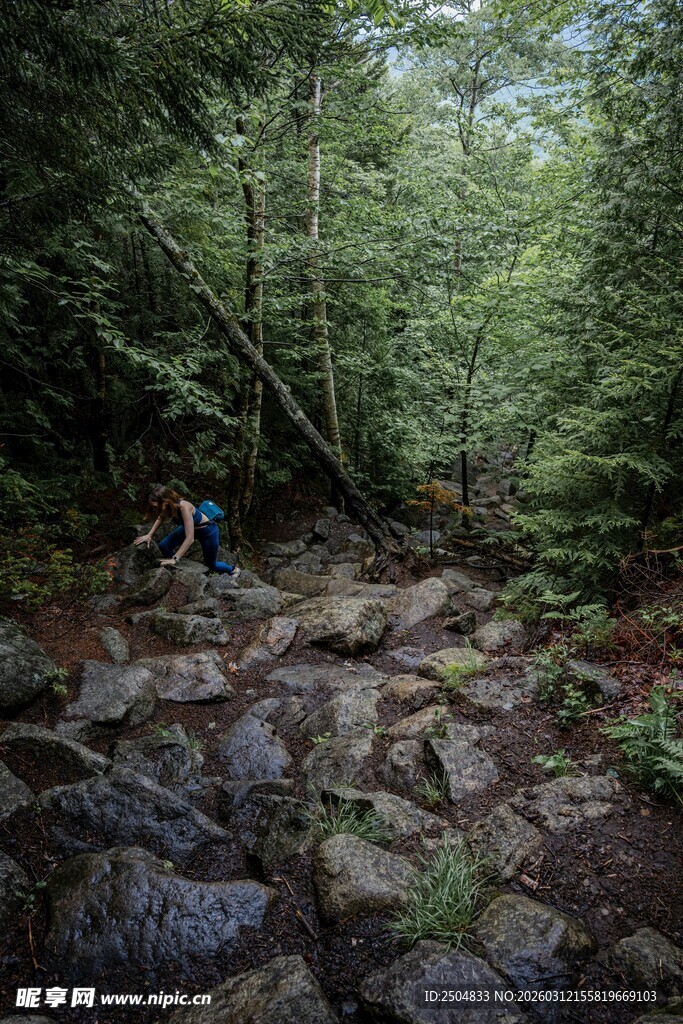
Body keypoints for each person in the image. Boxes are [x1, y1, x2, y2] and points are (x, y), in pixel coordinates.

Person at [134, 486, 240, 577]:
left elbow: (190, 538)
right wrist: (149, 535)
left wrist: (175, 559)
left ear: (165, 501)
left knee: (211, 564)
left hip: (208, 532)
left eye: (156, 506)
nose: (155, 509)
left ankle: (233, 570)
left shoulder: (184, 507)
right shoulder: (168, 507)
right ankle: (178, 567)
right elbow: (161, 517)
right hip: (191, 528)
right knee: (164, 546)